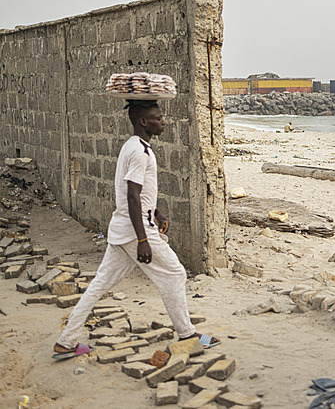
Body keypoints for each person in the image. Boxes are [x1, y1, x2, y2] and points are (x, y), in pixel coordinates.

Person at [53, 99, 218, 359]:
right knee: (174, 274)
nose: (163, 121)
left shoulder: (133, 146)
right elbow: (132, 195)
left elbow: (138, 192)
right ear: (143, 121)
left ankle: (67, 341)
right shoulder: (141, 152)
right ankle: (187, 335)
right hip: (135, 230)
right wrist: (143, 238)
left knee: (100, 284)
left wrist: (157, 210)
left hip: (122, 228)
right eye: (158, 117)